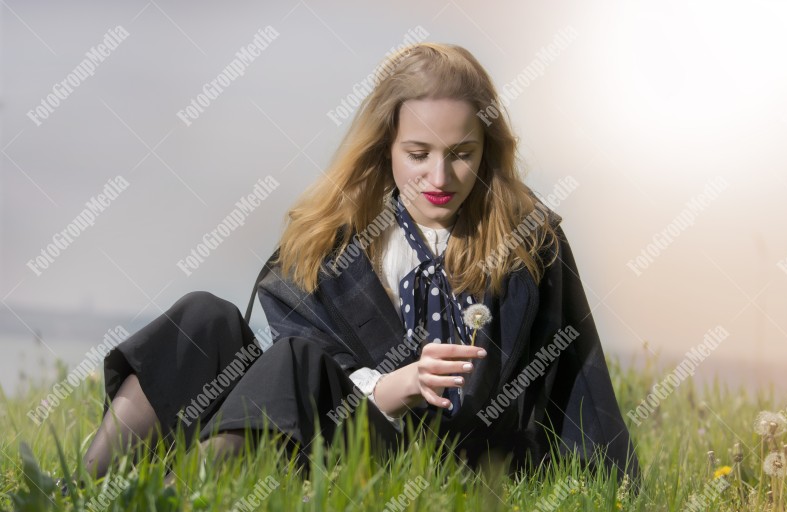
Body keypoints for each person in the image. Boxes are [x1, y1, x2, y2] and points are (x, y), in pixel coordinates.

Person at [79, 42, 640, 486]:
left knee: (294, 361)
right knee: (200, 321)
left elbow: (579, 383)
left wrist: (613, 491)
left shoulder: (527, 242)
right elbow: (311, 375)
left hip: (436, 464)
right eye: (418, 154)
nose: (439, 179)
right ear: (385, 147)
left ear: (487, 150)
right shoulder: (336, 238)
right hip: (328, 432)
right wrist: (393, 385)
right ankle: (82, 494)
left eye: (462, 154)